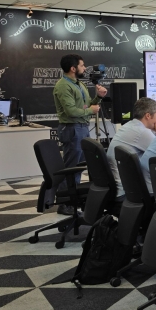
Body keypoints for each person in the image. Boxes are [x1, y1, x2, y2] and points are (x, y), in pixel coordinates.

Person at [52, 54, 107, 214]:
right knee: (70, 166)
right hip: (71, 128)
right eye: (82, 66)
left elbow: (88, 104)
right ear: (73, 68)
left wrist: (99, 97)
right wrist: (91, 110)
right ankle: (64, 202)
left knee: (78, 166)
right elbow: (70, 111)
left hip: (82, 128)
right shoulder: (63, 86)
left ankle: (73, 198)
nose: (85, 68)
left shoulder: (79, 85)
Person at [106, 97, 156, 201]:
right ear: (148, 116)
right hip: (127, 191)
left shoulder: (130, 125)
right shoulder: (142, 132)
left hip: (118, 187)